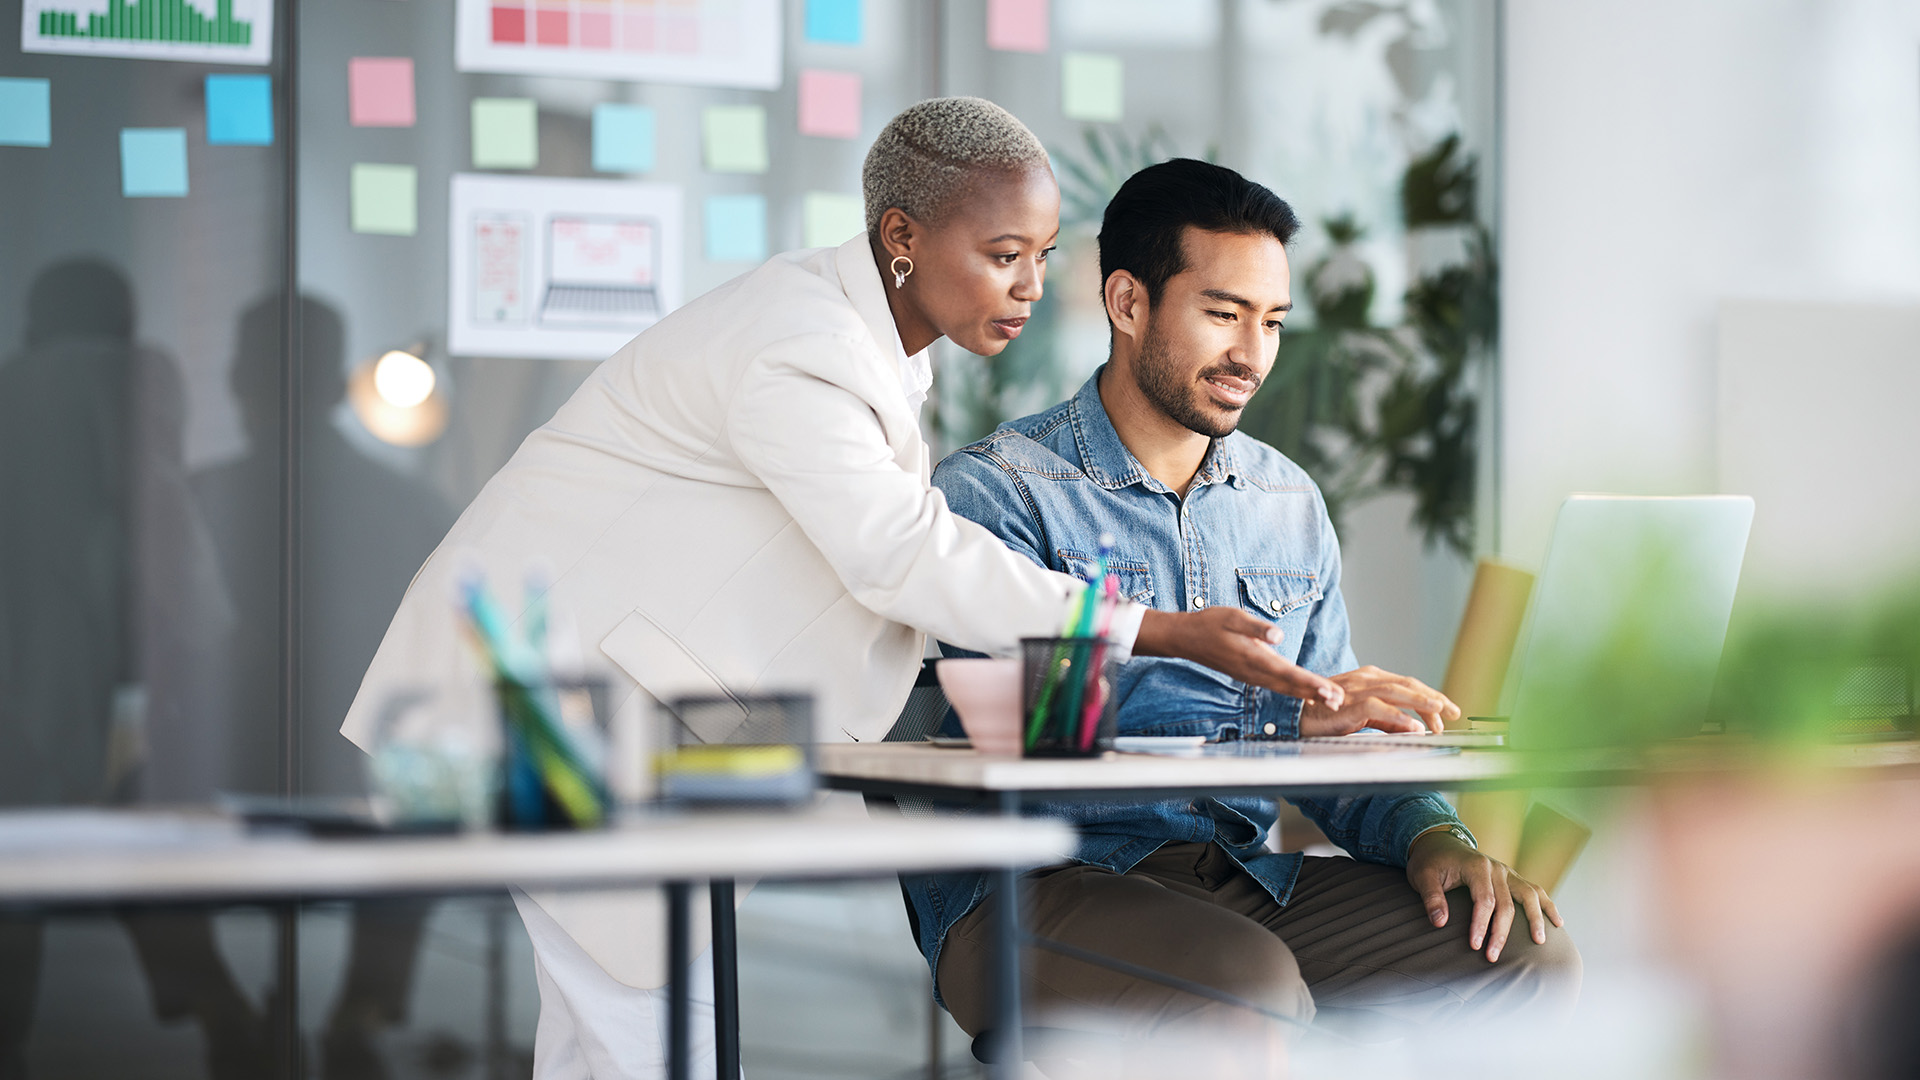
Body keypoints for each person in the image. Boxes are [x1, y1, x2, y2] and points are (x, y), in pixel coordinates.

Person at [341, 99, 1346, 1079]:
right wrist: (1159, 629)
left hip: (604, 711)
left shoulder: (864, 347)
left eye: (1042, 255)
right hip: (539, 707)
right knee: (650, 1040)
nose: (1032, 285)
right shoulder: (803, 343)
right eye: (1003, 254)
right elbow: (898, 554)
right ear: (902, 237)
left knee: (617, 1036)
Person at [914, 159, 1581, 1072]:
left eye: (1272, 322)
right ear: (1127, 302)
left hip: (1237, 878)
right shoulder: (998, 493)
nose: (1253, 355)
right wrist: (1276, 714)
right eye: (1224, 314)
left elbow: (1338, 731)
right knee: (1247, 988)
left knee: (1522, 954)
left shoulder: (1285, 500)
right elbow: (1040, 727)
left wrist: (1434, 834)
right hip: (1033, 887)